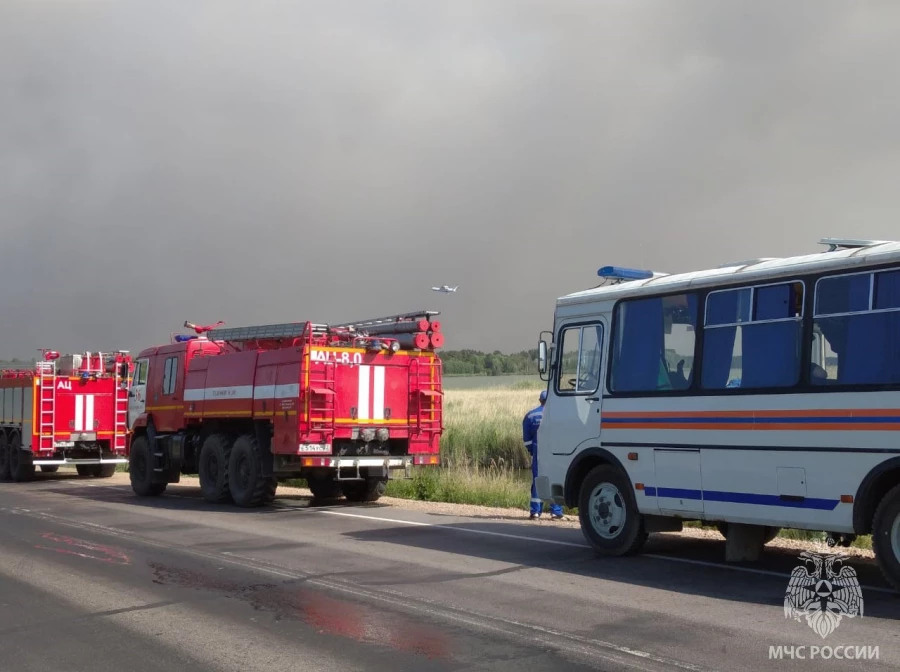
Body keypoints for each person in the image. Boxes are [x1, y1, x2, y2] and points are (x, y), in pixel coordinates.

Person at [523, 389, 563, 520]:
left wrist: (532, 451)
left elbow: (527, 440)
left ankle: (535, 512)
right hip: (555, 454)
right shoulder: (558, 415)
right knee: (555, 480)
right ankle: (556, 512)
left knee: (537, 481)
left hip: (539, 455)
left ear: (540, 400)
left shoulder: (530, 416)